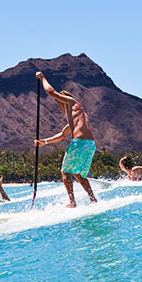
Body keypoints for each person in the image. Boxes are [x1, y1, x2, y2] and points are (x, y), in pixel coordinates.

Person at [34, 71, 97, 208]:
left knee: (65, 172)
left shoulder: (71, 102)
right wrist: (44, 141)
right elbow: (62, 135)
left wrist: (42, 77)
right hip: (90, 145)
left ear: (63, 100)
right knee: (78, 174)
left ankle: (72, 202)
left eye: (58, 102)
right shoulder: (77, 116)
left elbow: (51, 92)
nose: (58, 106)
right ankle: (93, 199)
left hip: (79, 144)